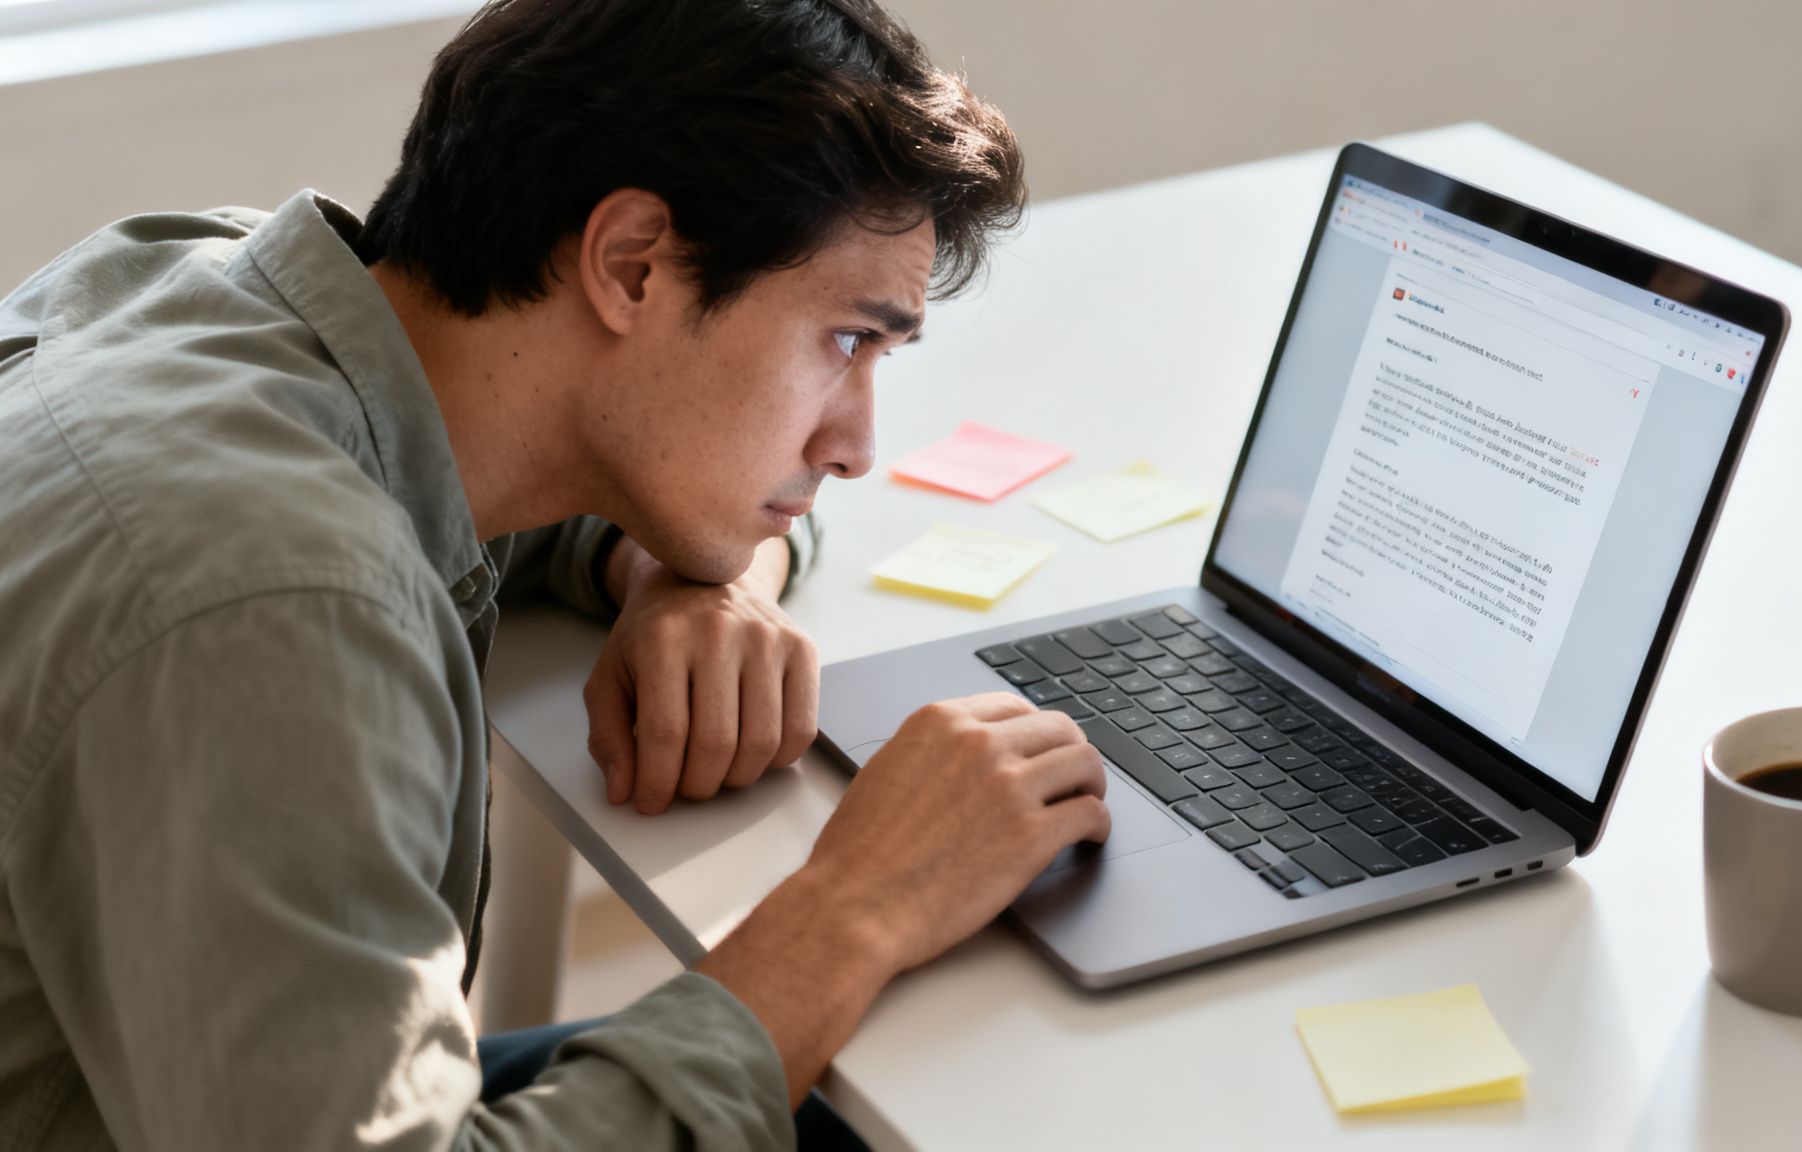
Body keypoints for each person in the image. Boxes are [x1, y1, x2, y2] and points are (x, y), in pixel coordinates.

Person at [0, 0, 1113, 1147]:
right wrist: (856, 907)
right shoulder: (274, 606)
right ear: (632, 265)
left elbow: (526, 492)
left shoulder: (202, 287)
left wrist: (689, 579)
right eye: (844, 340)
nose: (855, 445)